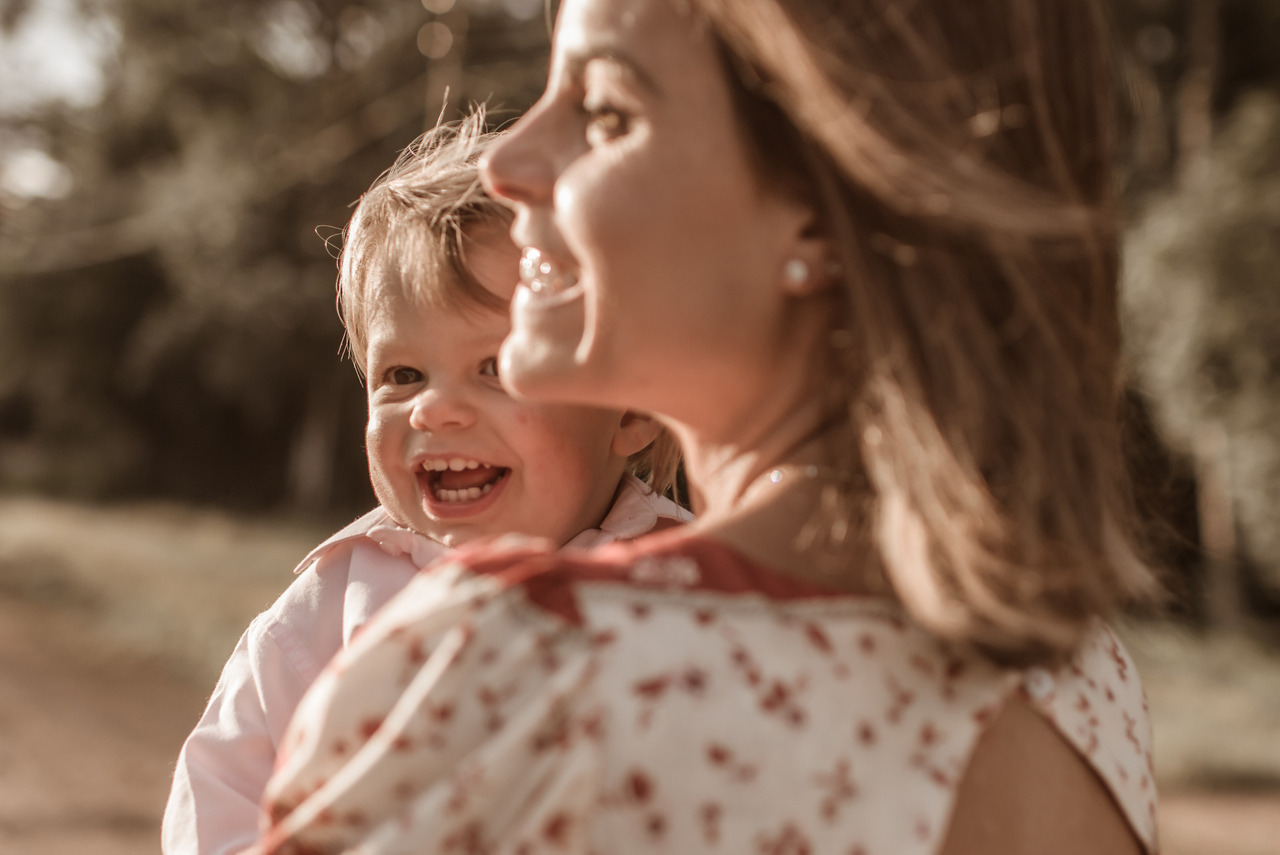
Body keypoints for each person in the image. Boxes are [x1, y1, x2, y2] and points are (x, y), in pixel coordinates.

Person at [250, 1, 1162, 853]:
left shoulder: (532, 669)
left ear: (820, 208)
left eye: (605, 114)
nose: (511, 162)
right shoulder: (1078, 674)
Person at [161, 113, 688, 855]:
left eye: (496, 368)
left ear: (630, 407)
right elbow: (218, 804)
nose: (433, 408)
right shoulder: (328, 615)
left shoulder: (692, 589)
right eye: (401, 375)